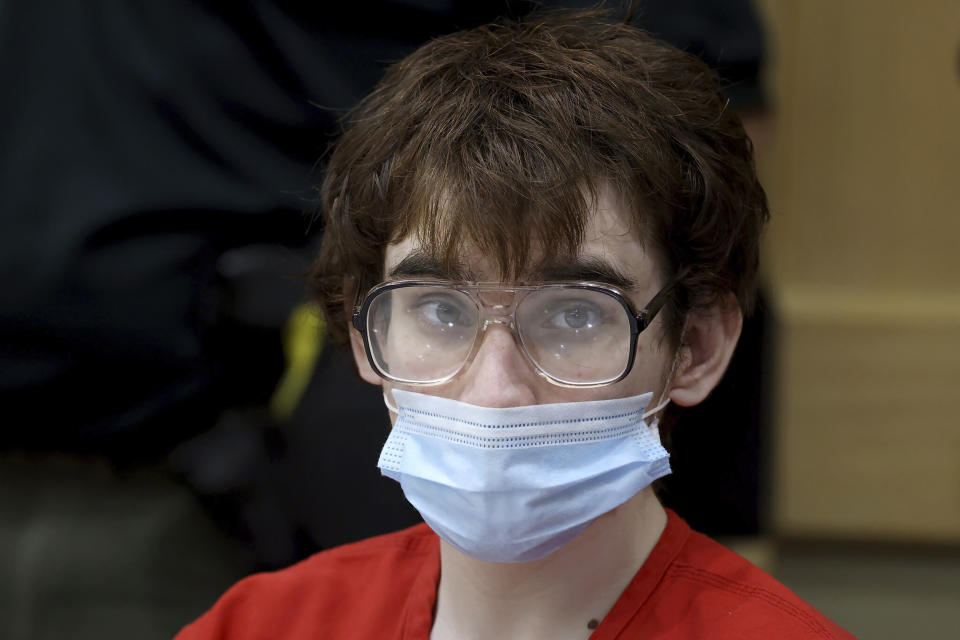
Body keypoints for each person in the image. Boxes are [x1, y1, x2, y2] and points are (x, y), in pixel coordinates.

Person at [177, 9, 854, 639]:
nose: (496, 391)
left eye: (574, 313)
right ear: (365, 334)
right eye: (442, 310)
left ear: (696, 347)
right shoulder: (261, 626)